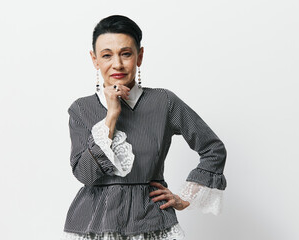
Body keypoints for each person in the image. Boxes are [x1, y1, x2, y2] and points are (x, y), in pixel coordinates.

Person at [61, 15, 227, 240]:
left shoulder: (164, 102)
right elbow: (85, 174)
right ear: (94, 60)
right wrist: (111, 116)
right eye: (107, 55)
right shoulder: (81, 109)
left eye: (126, 53)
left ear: (140, 56)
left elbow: (212, 148)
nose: (117, 64)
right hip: (94, 224)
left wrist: (186, 198)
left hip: (151, 220)